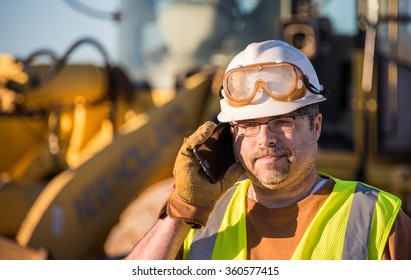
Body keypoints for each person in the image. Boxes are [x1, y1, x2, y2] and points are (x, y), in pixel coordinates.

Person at [124, 40, 411, 260]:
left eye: (282, 121)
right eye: (248, 125)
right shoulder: (199, 220)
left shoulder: (377, 218)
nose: (265, 139)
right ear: (231, 134)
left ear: (316, 126)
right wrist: (181, 210)